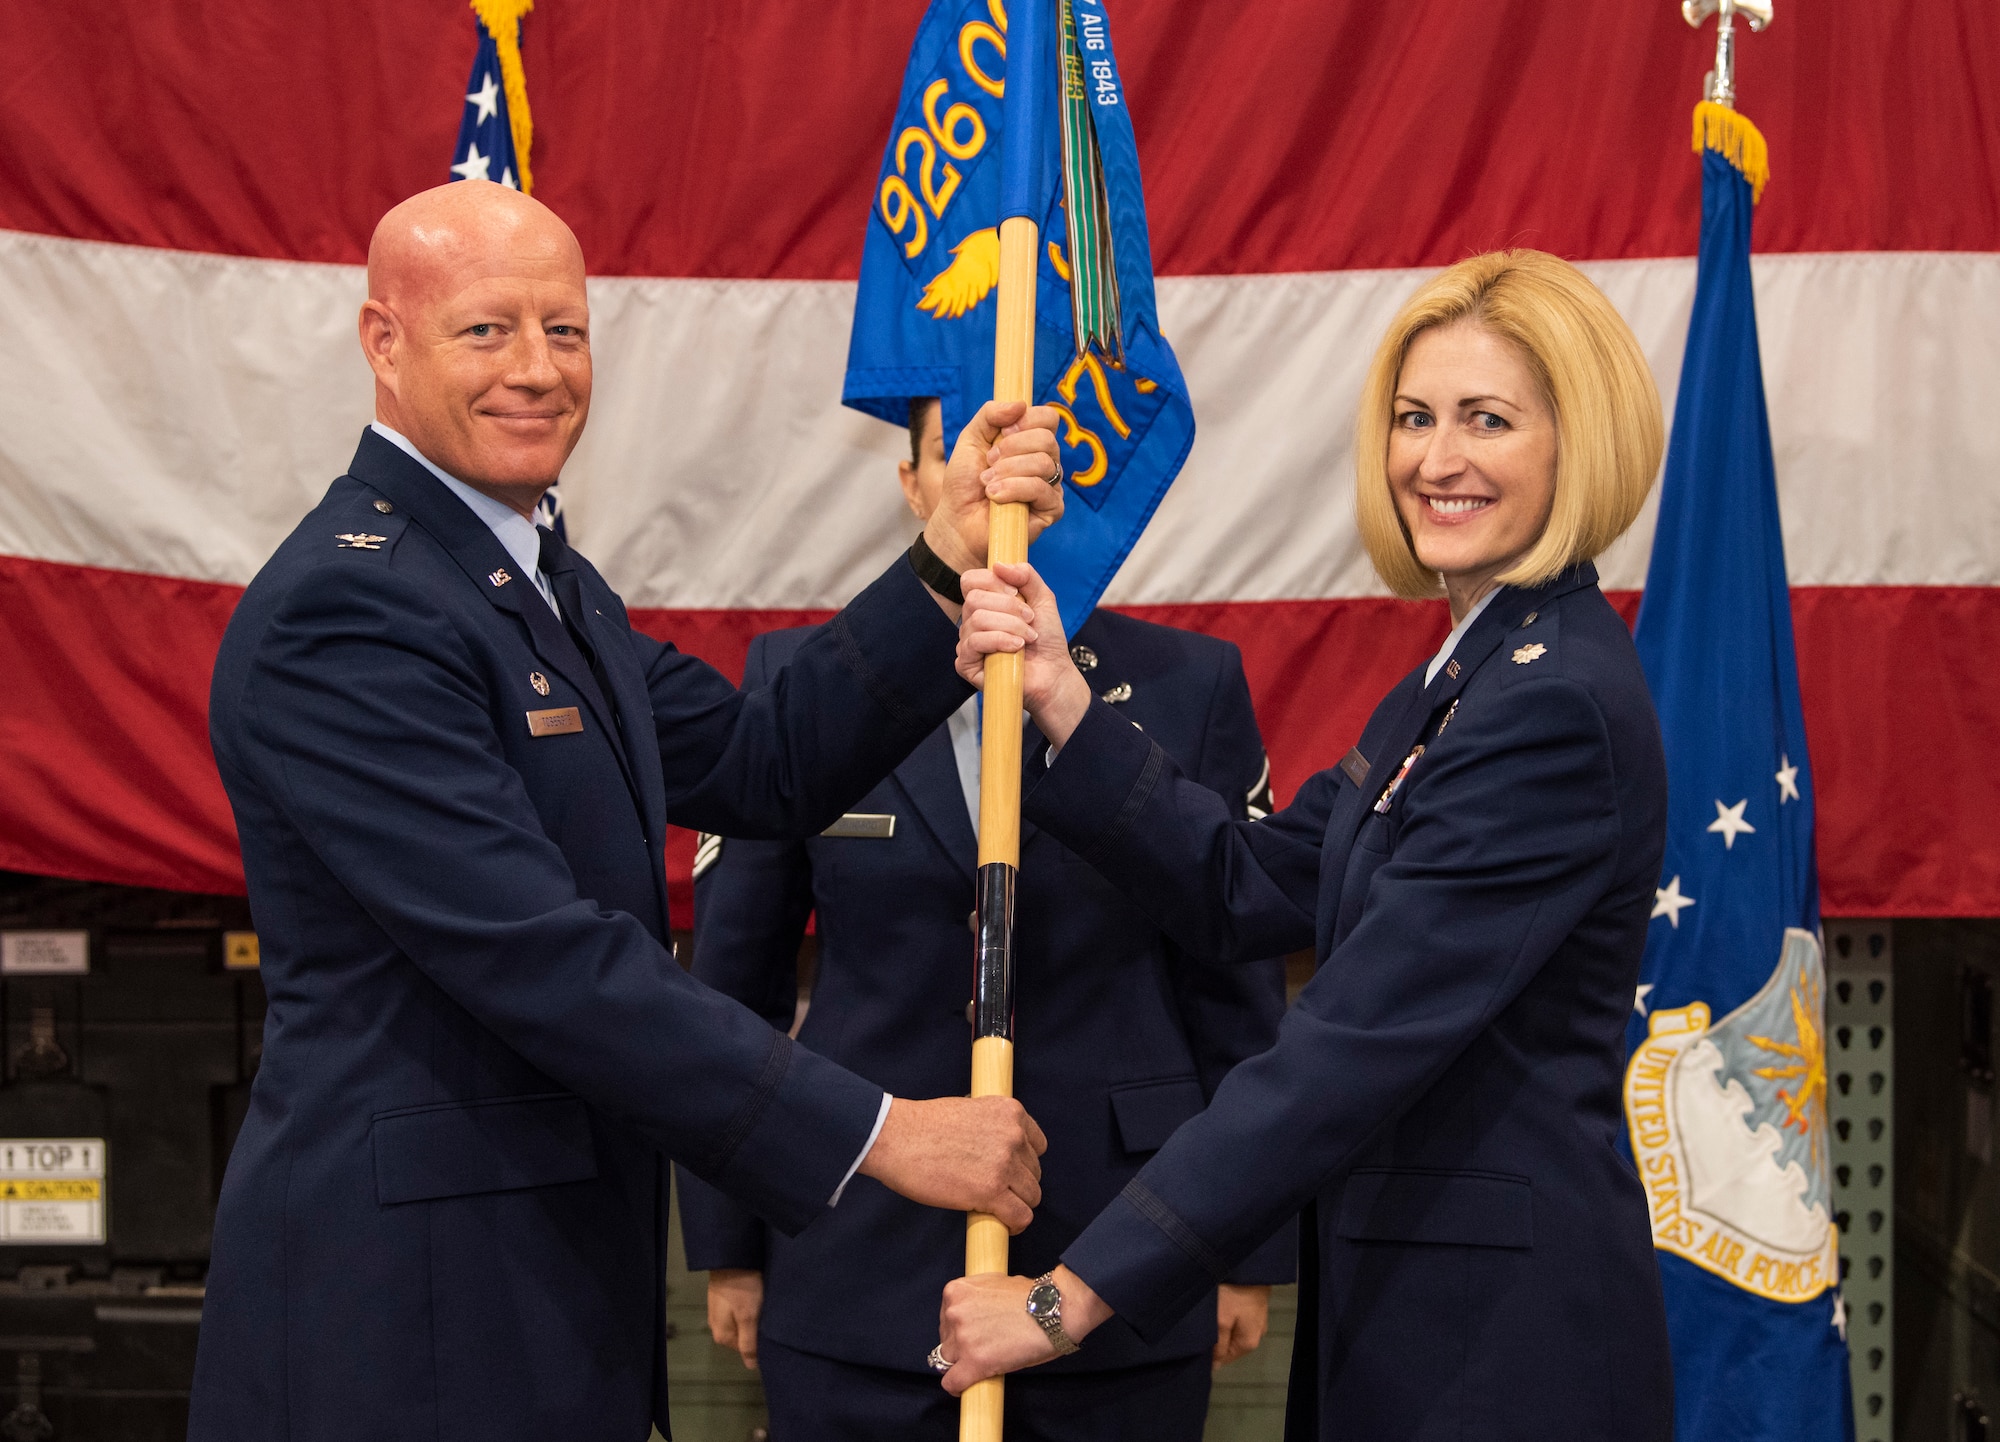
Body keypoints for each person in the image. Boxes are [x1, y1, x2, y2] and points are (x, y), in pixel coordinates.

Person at [197, 180, 1064, 1442]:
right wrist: (881, 1130)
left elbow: (763, 757)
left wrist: (939, 551)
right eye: (486, 330)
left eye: (566, 329)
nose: (539, 370)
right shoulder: (352, 613)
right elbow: (545, 959)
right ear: (383, 342)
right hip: (407, 1316)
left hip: (537, 1281)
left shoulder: (530, 575)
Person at [937, 250, 1676, 1440]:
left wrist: (1067, 1294)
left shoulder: (1548, 704)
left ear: (1573, 441)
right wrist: (1066, 703)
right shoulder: (1461, 673)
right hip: (1416, 1305)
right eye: (1412, 417)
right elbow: (1254, 881)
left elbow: (1345, 1046)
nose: (1436, 459)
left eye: (1486, 420)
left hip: (1500, 1342)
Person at [679, 397, 1295, 1441]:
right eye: (961, 453)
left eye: (1032, 458)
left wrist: (1242, 1248)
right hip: (852, 1261)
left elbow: (1233, 986)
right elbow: (731, 980)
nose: (1002, 483)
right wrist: (729, 1241)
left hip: (1117, 1257)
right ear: (915, 483)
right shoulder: (805, 685)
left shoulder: (1191, 686)